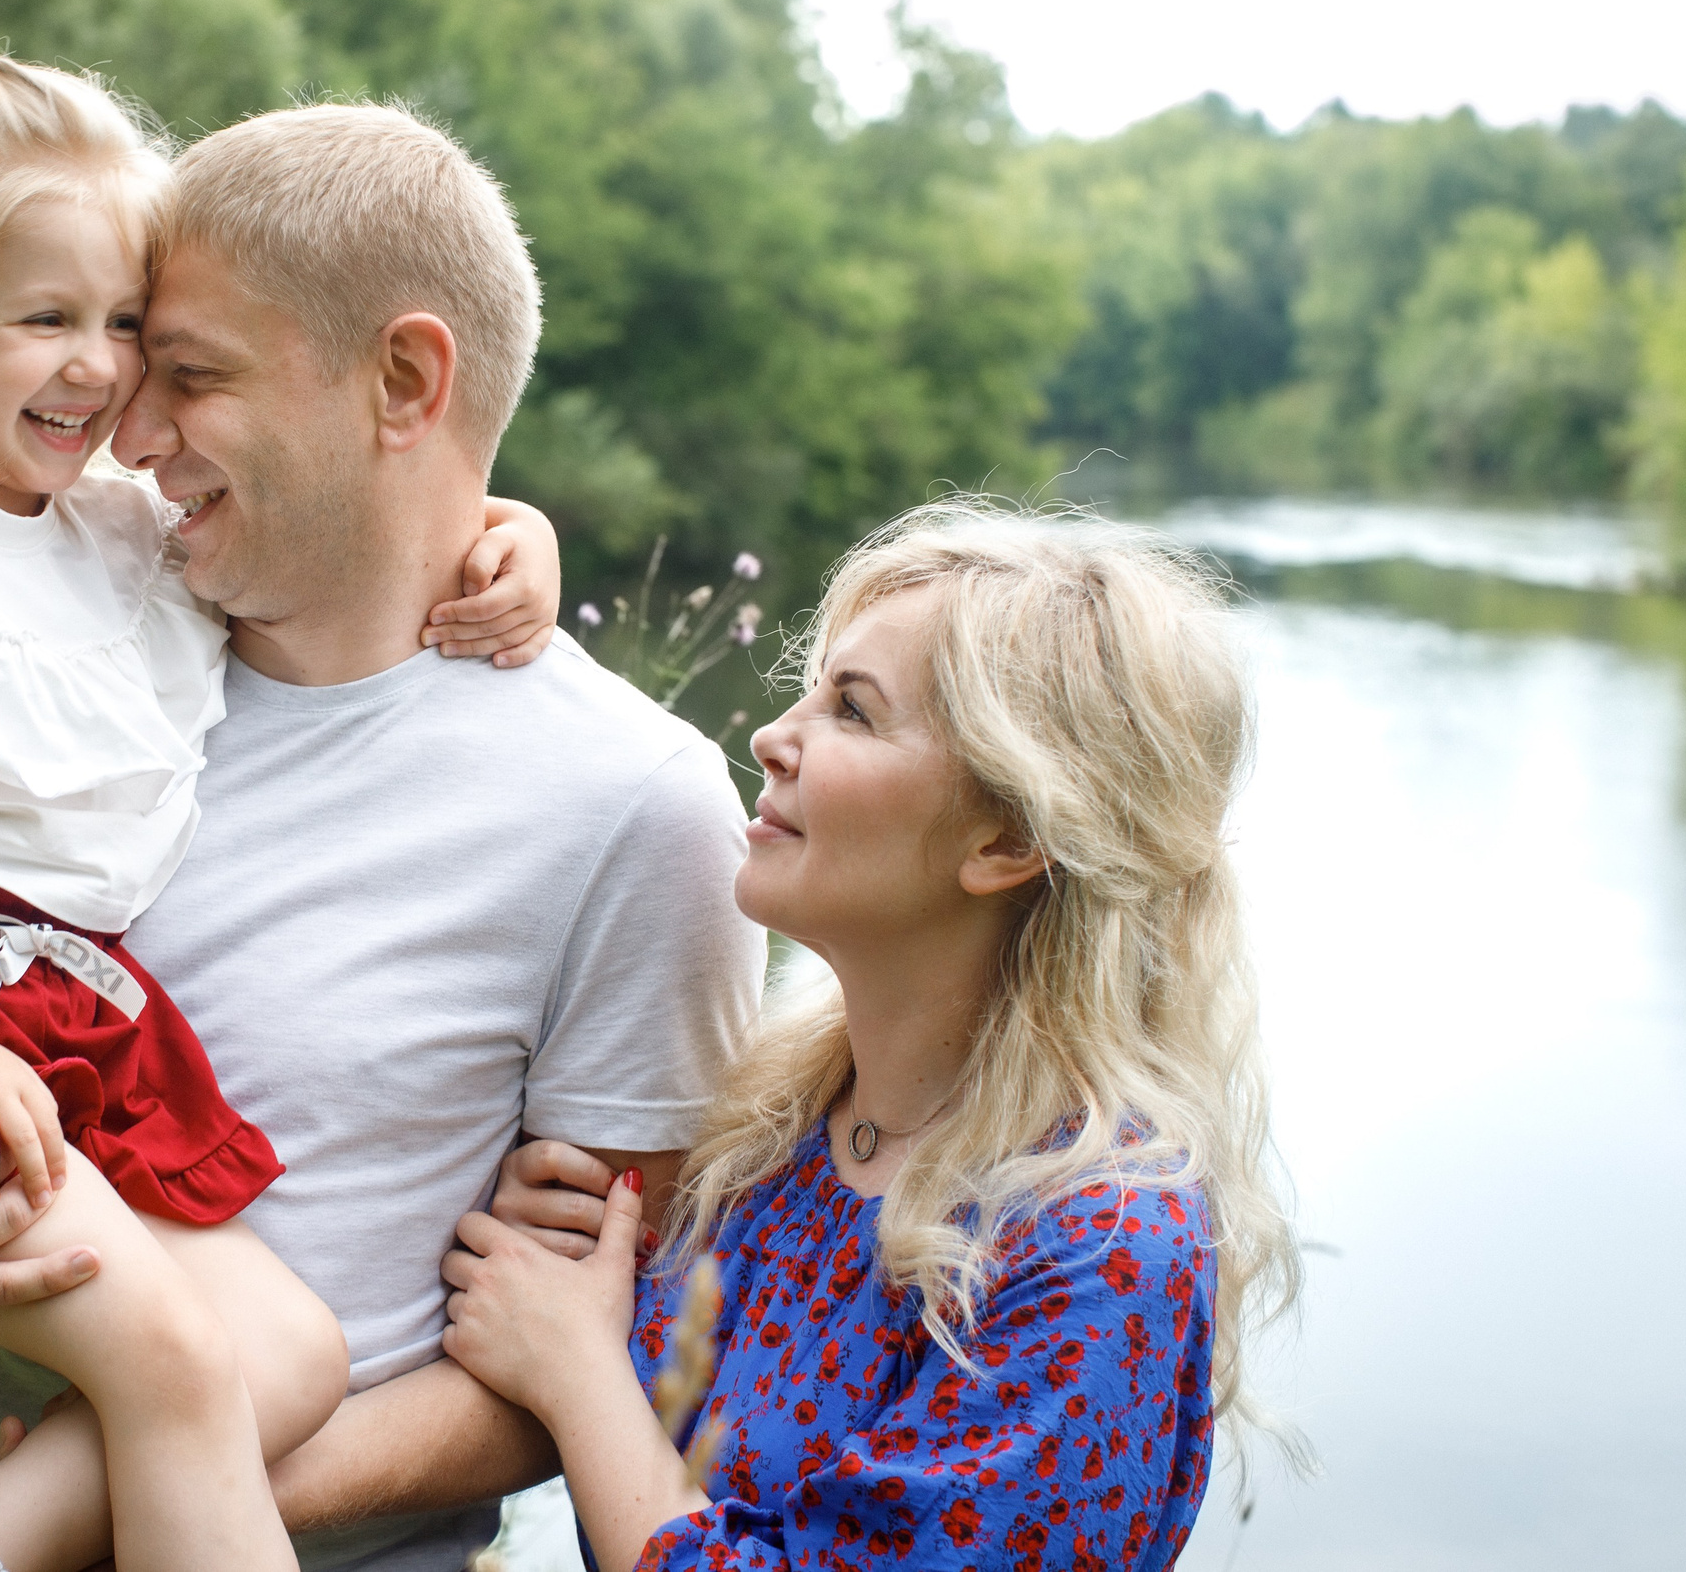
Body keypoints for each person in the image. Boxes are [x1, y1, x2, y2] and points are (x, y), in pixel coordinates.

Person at [0, 99, 770, 1570]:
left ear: (404, 381)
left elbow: (618, 1360)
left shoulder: (634, 806)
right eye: (120, 353)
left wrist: (134, 1491)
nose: (127, 431)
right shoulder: (69, 651)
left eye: (188, 373)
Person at [441, 500, 1305, 1570]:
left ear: (1006, 838)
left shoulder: (1100, 1247)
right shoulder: (771, 1132)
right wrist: (571, 1259)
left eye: (851, 710)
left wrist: (578, 1372)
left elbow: (610, 1424)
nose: (771, 737)